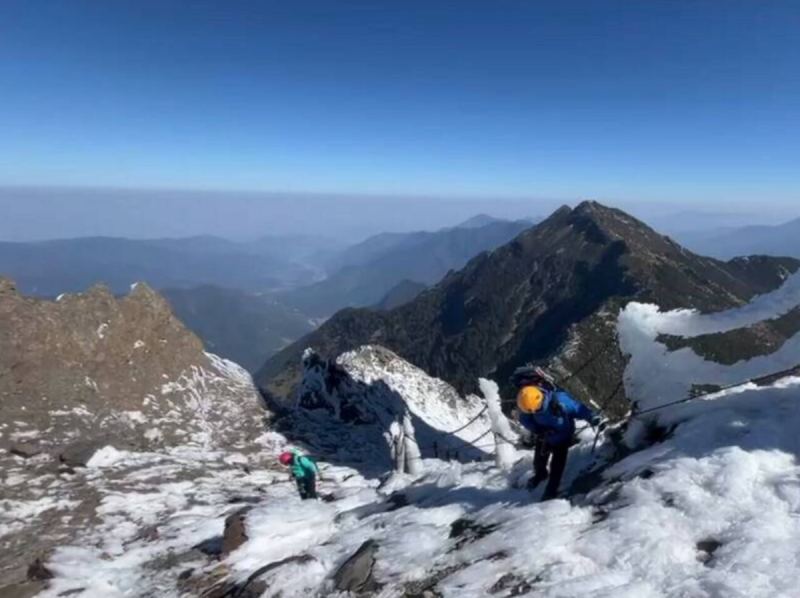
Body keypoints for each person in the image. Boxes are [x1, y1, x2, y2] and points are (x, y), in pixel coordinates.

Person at [516, 382, 601, 501]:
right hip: (545, 435)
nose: (534, 412)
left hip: (563, 436)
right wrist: (538, 429)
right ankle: (540, 475)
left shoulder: (560, 401)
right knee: (539, 461)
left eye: (535, 409)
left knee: (557, 466)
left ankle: (551, 490)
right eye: (531, 411)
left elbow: (578, 408)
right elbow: (525, 419)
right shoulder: (529, 405)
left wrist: (593, 417)